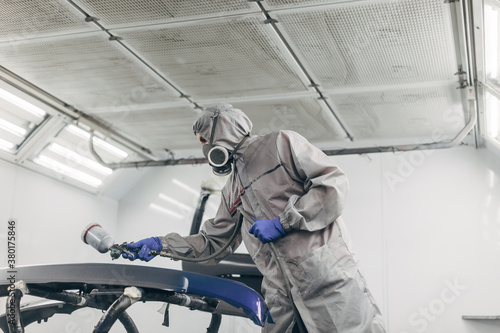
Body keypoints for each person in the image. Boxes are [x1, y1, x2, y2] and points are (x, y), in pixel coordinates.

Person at [123, 103, 386, 332]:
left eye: (205, 140)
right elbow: (213, 243)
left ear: (222, 132)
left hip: (328, 285)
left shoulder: (281, 143)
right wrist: (161, 244)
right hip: (282, 303)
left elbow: (333, 183)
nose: (205, 149)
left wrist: (284, 223)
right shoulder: (232, 188)